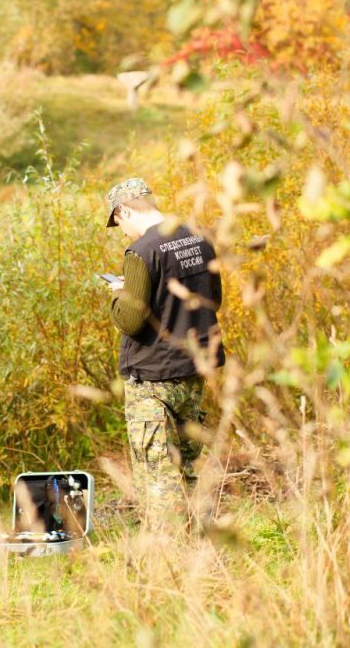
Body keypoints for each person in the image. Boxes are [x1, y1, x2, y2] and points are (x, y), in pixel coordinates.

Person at [104, 178, 225, 524]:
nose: (124, 231)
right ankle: (204, 555)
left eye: (120, 223)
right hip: (193, 370)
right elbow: (212, 300)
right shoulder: (197, 237)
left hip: (153, 377)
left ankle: (169, 563)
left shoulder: (142, 251)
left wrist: (118, 291)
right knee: (189, 468)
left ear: (124, 210)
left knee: (158, 475)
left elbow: (129, 320)